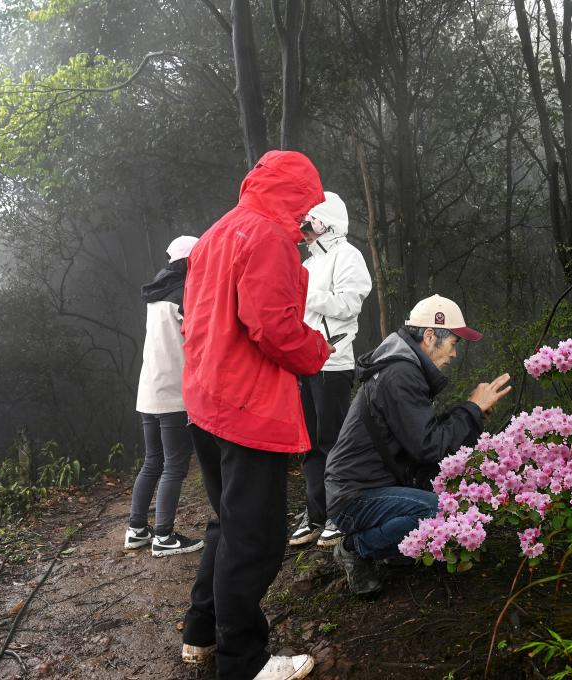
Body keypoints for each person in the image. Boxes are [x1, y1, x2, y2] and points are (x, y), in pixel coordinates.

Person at [180, 150, 332, 680]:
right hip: (247, 406)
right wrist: (318, 351)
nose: (308, 215)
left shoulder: (220, 230)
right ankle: (243, 662)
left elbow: (200, 319)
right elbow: (272, 326)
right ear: (295, 193)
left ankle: (201, 633)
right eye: (307, 201)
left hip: (205, 397)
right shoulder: (267, 236)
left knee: (228, 523)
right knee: (257, 541)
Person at [324, 294, 511, 596]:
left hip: (371, 486)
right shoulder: (401, 374)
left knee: (451, 500)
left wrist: (471, 413)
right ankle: (356, 547)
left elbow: (422, 435)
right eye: (453, 342)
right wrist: (471, 410)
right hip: (355, 496)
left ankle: (390, 544)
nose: (454, 353)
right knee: (441, 512)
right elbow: (429, 447)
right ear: (429, 336)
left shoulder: (404, 369)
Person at [289, 192, 372, 548]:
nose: (305, 230)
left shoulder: (348, 256)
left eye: (310, 223)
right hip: (303, 362)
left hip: (333, 362)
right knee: (309, 444)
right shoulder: (306, 265)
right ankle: (316, 513)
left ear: (329, 223)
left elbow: (349, 306)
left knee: (333, 442)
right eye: (304, 224)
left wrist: (306, 292)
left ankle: (340, 515)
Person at [124, 235, 205, 558]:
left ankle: (137, 529)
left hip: (149, 390)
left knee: (153, 461)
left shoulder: (156, 293)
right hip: (173, 392)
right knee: (174, 465)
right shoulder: (185, 293)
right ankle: (165, 536)